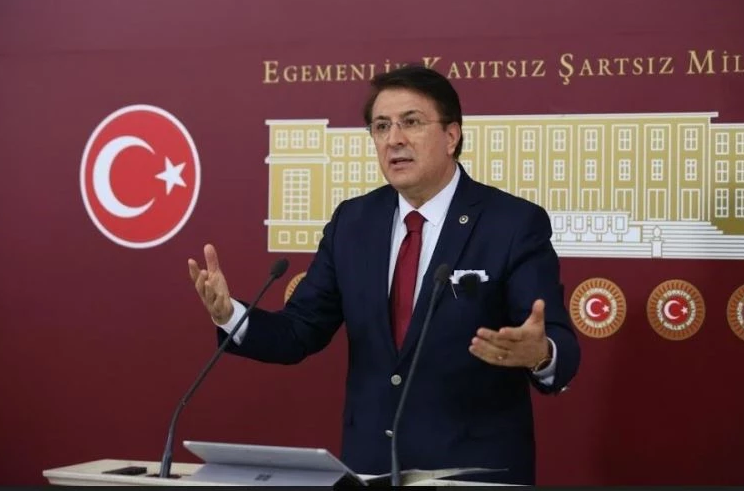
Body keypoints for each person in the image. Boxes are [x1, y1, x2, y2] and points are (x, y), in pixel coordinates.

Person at [187, 64, 580, 485]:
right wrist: (230, 316)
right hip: (370, 466)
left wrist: (540, 354)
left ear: (452, 136)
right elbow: (299, 331)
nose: (394, 139)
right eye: (381, 126)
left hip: (472, 470)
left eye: (411, 122)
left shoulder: (512, 223)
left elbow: (557, 342)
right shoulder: (353, 222)